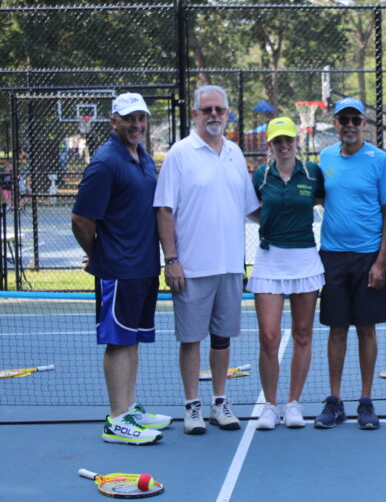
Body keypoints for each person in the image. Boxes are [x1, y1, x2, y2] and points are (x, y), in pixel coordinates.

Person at [154, 85, 260, 435]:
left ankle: (219, 403)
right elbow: (164, 209)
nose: (214, 115)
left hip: (230, 267)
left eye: (220, 110)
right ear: (196, 115)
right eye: (207, 110)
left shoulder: (234, 153)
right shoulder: (180, 153)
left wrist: (292, 210)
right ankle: (192, 407)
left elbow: (252, 209)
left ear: (227, 114)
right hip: (191, 268)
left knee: (222, 339)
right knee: (191, 339)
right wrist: (171, 259)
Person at [71, 92, 171, 445]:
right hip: (119, 269)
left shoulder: (142, 157)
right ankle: (117, 421)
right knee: (118, 342)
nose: (136, 124)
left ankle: (128, 409)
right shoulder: (105, 162)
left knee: (131, 339)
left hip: (144, 266)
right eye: (129, 118)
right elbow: (81, 219)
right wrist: (98, 255)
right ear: (114, 121)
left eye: (141, 118)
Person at [314, 97, 386, 430]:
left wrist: (381, 260)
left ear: (364, 123)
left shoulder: (380, 160)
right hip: (332, 256)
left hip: (368, 257)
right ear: (335, 124)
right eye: (343, 120)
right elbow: (323, 197)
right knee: (337, 329)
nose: (349, 125)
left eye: (355, 120)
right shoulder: (325, 158)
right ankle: (335, 401)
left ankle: (366, 401)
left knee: (366, 329)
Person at [247, 117, 325, 430]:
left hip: (304, 258)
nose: (283, 145)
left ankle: (293, 403)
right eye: (278, 140)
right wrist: (271, 224)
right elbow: (252, 209)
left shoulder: (312, 173)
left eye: (288, 140)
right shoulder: (261, 175)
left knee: (303, 333)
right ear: (270, 144)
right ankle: (270, 405)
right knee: (269, 336)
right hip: (269, 259)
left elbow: (321, 201)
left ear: (296, 141)